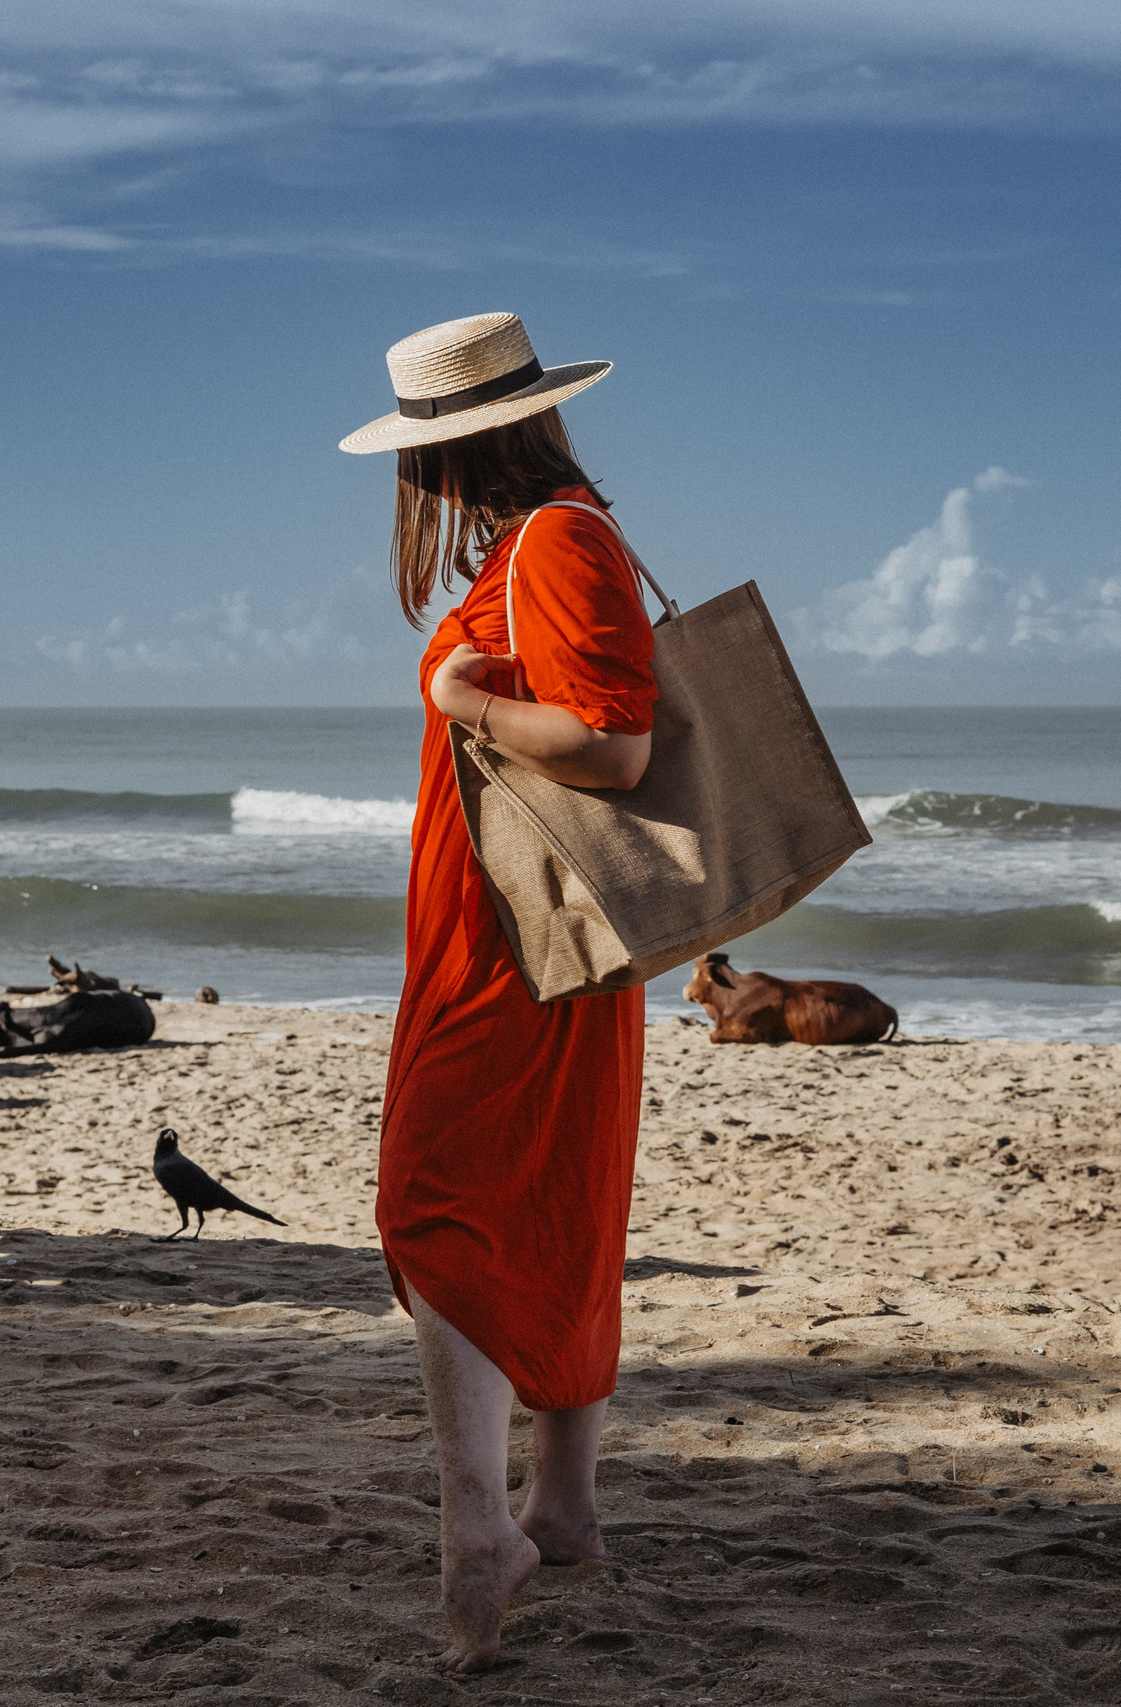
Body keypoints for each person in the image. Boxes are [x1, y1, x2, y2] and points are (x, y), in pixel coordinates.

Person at [340, 313, 654, 1673]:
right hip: (523, 936)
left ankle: (481, 1533)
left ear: (458, 449)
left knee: (430, 1201)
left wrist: (465, 700)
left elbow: (615, 748)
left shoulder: (560, 542)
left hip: (515, 947)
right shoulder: (559, 535)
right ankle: (565, 1508)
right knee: (555, 1193)